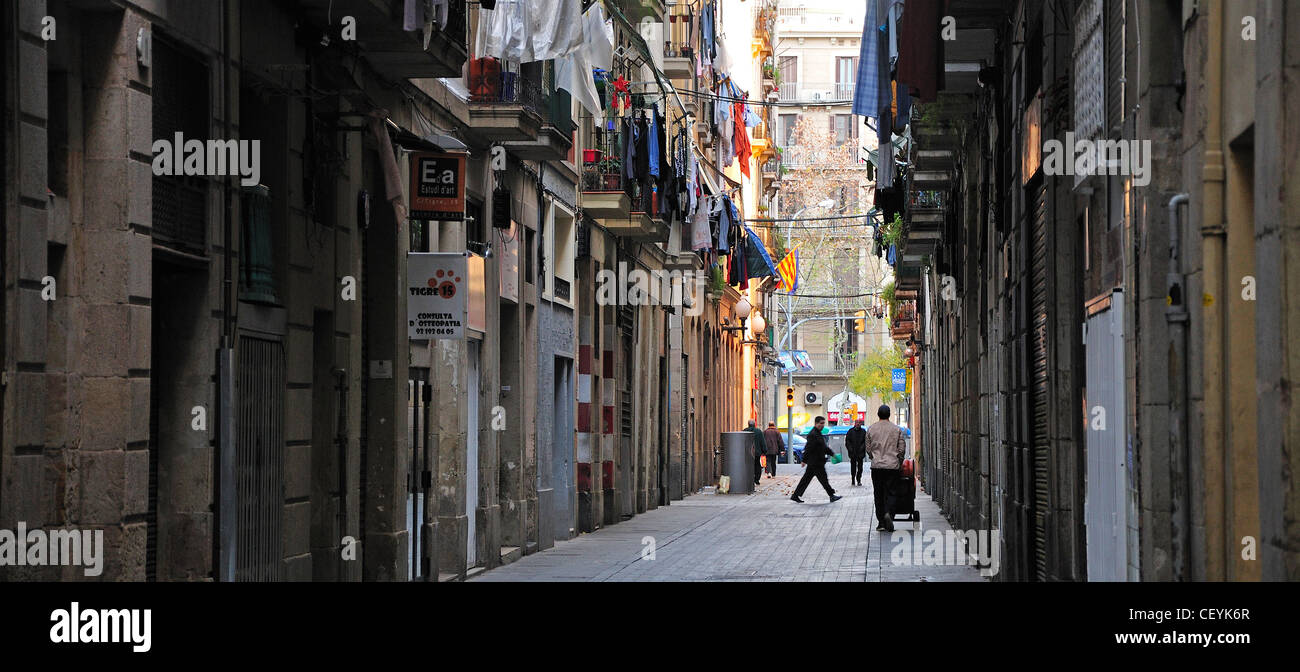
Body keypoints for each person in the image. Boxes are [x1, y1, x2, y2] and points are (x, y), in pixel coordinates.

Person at [865, 404, 907, 531]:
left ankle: (881, 522)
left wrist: (874, 458)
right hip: (892, 466)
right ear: (889, 414)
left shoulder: (871, 429)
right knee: (892, 492)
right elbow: (901, 449)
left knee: (878, 493)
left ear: (878, 414)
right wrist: (899, 460)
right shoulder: (896, 429)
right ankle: (889, 513)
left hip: (877, 466)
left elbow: (868, 448)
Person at [790, 416, 842, 503]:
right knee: (823, 479)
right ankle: (831, 495)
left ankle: (795, 495)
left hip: (816, 462)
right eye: (821, 423)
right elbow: (808, 448)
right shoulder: (813, 434)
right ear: (816, 423)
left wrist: (832, 454)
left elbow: (824, 447)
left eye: (823, 423)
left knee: (806, 479)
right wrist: (804, 460)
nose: (822, 425)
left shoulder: (817, 433)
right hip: (816, 462)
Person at [845, 418, 868, 486]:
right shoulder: (850, 431)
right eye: (857, 422)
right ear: (854, 423)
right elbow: (847, 441)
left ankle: (859, 479)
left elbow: (865, 441)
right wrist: (850, 449)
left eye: (859, 422)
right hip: (853, 453)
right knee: (853, 467)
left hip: (860, 453)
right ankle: (853, 479)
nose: (858, 424)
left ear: (861, 423)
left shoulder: (863, 431)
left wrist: (862, 448)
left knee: (860, 468)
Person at [746, 420, 767, 487]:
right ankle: (756, 479)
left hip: (747, 453)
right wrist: (764, 451)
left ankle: (748, 479)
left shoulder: (744, 431)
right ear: (755, 424)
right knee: (757, 465)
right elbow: (762, 442)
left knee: (748, 466)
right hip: (756, 453)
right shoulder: (759, 432)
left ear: (748, 424)